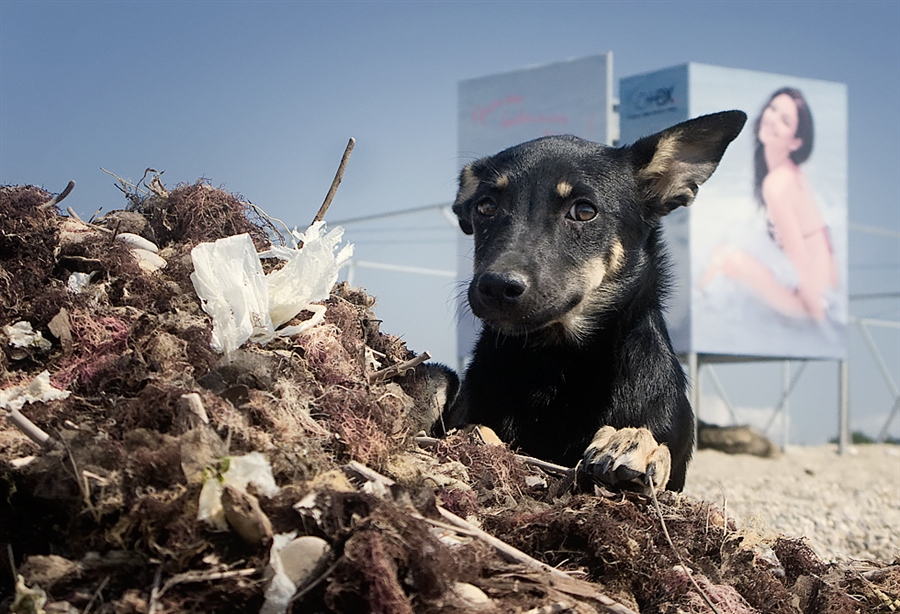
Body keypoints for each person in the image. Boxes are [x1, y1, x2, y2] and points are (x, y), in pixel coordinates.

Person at [700, 87, 838, 321]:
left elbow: (801, 263)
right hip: (826, 285)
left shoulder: (777, 184)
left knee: (727, 258)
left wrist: (821, 323)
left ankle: (690, 313)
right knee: (726, 250)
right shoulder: (792, 173)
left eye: (785, 121)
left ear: (796, 141)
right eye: (772, 109)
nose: (773, 119)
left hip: (812, 300)